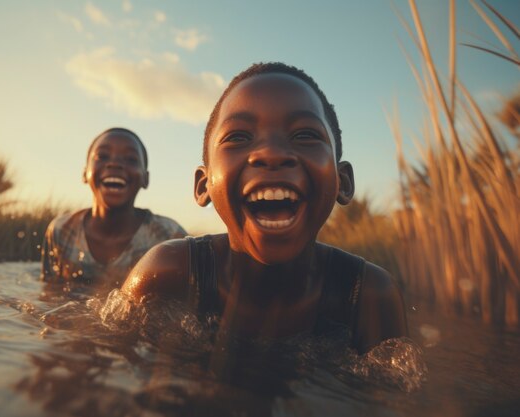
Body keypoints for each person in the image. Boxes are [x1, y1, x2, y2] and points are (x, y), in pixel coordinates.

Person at [121, 63, 407, 354]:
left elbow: (386, 398)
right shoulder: (170, 272)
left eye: (305, 135)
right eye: (238, 137)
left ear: (342, 181)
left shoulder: (366, 295)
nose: (271, 153)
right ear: (203, 185)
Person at [42, 128, 186, 288]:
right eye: (102, 156)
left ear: (146, 178)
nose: (115, 164)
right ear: (85, 173)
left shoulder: (168, 236)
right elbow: (50, 295)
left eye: (131, 159)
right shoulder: (62, 231)